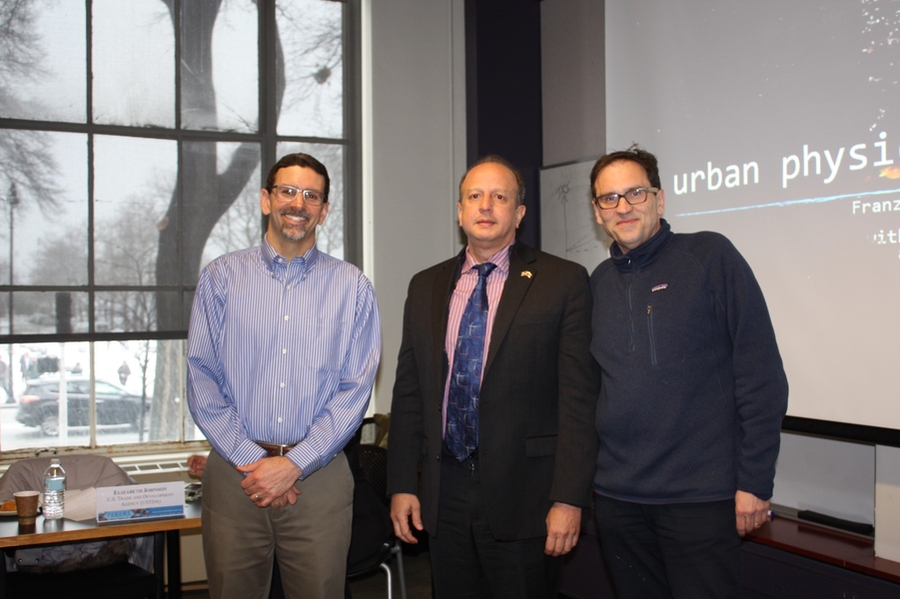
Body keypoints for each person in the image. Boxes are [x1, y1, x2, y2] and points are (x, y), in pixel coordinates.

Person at [387, 155, 600, 598]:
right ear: (460, 211)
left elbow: (579, 402)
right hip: (444, 492)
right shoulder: (425, 286)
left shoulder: (563, 281)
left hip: (527, 497)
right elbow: (409, 393)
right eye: (474, 196)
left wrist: (569, 497)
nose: (485, 206)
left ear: (519, 213)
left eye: (499, 197)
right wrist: (404, 484)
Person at [587, 145, 789, 599]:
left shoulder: (710, 256)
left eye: (636, 193)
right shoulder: (597, 283)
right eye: (609, 198)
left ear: (659, 199)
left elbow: (761, 376)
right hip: (618, 499)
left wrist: (755, 481)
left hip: (699, 499)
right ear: (597, 213)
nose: (623, 206)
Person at [187, 152, 381, 599]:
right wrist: (253, 461)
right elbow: (201, 376)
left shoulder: (352, 287)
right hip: (235, 474)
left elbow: (354, 389)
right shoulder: (221, 278)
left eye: (312, 196)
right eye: (288, 191)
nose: (299, 203)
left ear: (324, 211)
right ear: (265, 199)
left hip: (319, 477)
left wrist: (294, 464)